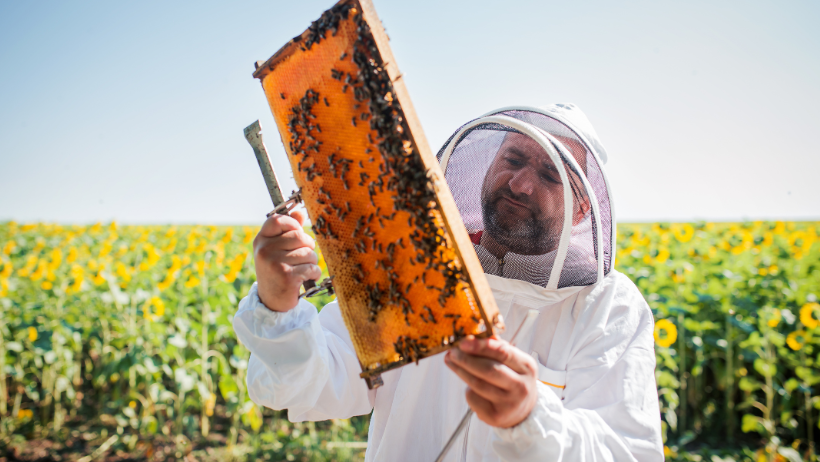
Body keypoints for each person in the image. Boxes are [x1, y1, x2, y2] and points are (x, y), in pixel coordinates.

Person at [233, 104, 664, 461]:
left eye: (551, 176)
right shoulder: (411, 270)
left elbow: (627, 451)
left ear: (584, 207)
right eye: (512, 160)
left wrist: (533, 416)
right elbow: (303, 386)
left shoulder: (607, 307)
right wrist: (276, 307)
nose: (520, 184)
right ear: (489, 161)